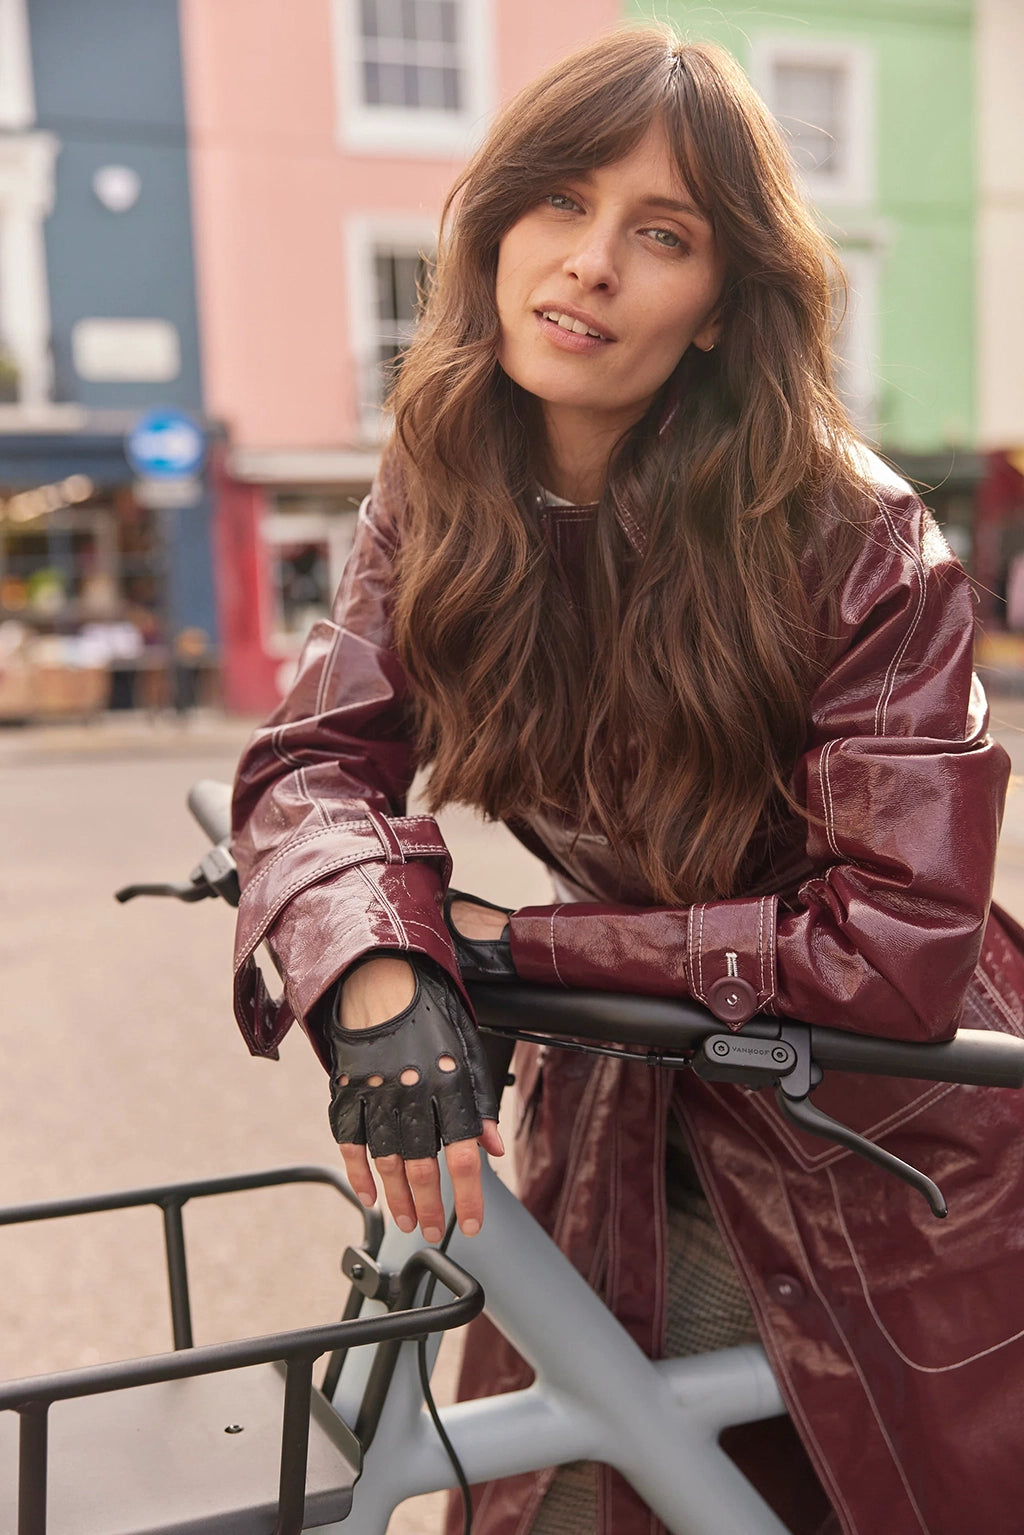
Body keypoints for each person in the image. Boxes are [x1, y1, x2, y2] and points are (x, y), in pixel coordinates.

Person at [230, 27, 1024, 1535]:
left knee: (642, 1491)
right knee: (548, 1484)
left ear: (723, 306)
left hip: (869, 1137)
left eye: (661, 236)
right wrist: (380, 972)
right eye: (559, 204)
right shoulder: (444, 474)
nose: (589, 264)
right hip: (626, 1092)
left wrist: (503, 948)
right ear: (498, 224)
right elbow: (317, 758)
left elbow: (898, 946)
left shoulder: (859, 537)